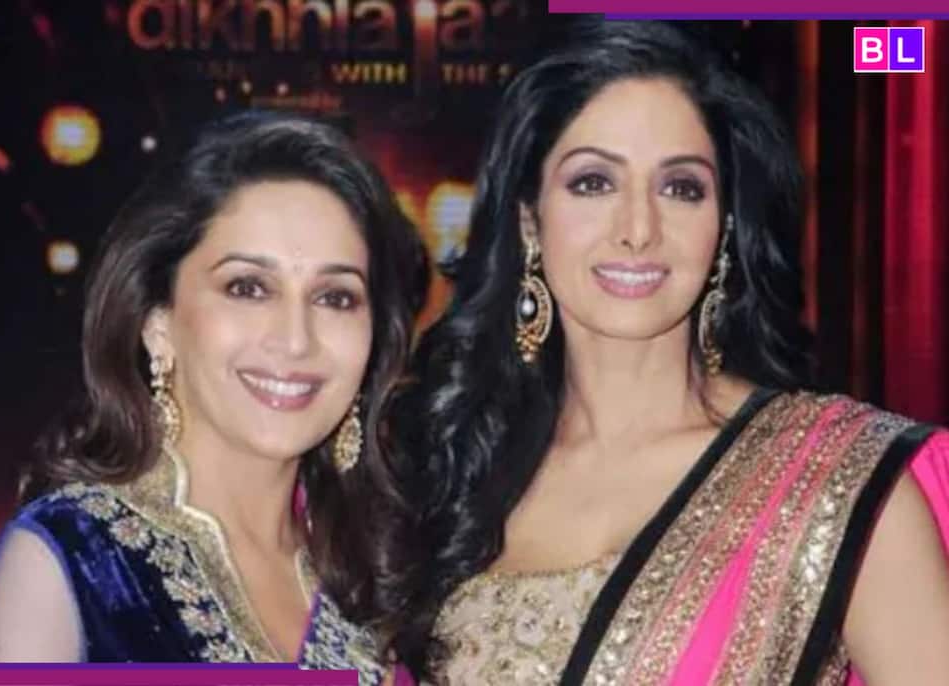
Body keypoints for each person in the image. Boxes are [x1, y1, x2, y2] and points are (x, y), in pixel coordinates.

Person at [390, 19, 949, 685]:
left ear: (725, 226)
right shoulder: (452, 471)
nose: (638, 229)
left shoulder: (836, 477)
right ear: (529, 219)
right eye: (593, 182)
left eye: (681, 188)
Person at [0, 110, 427, 683]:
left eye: (335, 297)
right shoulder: (74, 557)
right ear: (157, 321)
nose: (296, 339)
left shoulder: (371, 573)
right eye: (247, 287)